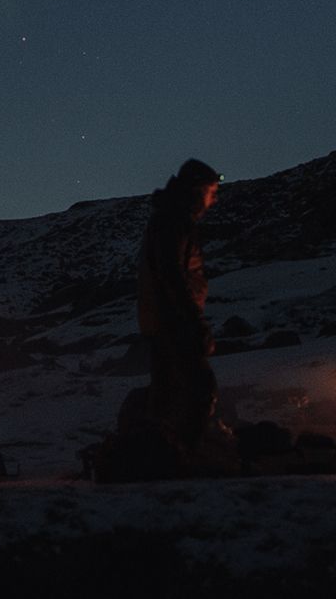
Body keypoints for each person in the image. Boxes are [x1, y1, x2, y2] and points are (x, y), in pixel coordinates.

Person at [136, 157, 225, 455]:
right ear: (198, 190)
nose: (213, 200)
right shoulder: (173, 221)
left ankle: (157, 456)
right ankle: (182, 454)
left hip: (165, 320)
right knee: (199, 386)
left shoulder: (170, 218)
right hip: (173, 321)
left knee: (167, 392)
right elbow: (172, 275)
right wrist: (193, 322)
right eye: (212, 192)